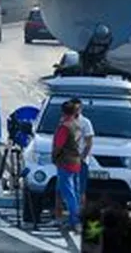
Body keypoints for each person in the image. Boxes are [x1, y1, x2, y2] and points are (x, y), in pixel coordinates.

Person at [52, 99, 83, 233]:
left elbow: (59, 145)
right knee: (74, 192)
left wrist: (54, 156)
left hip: (65, 162)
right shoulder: (77, 125)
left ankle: (75, 221)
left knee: (68, 193)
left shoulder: (64, 127)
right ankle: (73, 219)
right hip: (76, 161)